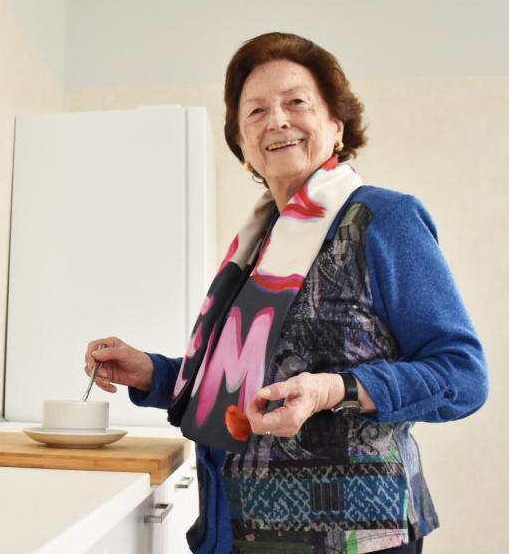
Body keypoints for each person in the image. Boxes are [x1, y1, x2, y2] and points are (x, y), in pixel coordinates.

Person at [83, 32, 487, 554]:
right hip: (232, 529)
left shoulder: (384, 220)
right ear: (244, 145)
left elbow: (463, 376)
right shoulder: (257, 245)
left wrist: (332, 390)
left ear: (336, 125)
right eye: (255, 112)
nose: (276, 120)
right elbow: (242, 385)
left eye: (296, 102)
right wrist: (155, 373)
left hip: (351, 538)